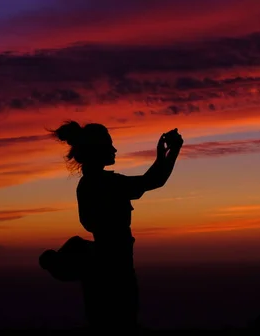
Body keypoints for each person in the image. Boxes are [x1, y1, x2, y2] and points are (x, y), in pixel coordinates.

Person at [49, 120, 183, 331]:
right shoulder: (106, 184)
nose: (114, 149)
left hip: (105, 265)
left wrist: (165, 155)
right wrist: (172, 151)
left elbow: (150, 180)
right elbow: (153, 181)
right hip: (114, 268)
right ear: (97, 150)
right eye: (109, 145)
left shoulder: (90, 184)